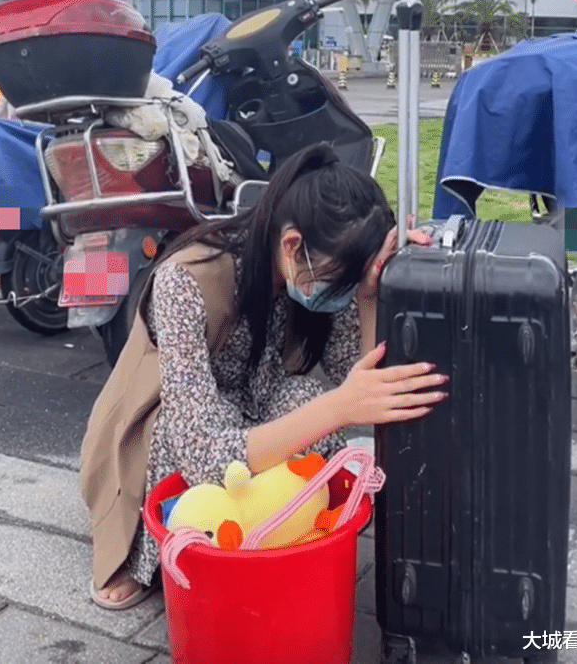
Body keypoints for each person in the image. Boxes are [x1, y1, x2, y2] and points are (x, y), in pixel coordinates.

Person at [81, 142, 449, 609]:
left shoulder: (308, 266)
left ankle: (261, 525)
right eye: (342, 279)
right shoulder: (186, 278)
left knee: (306, 397)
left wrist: (370, 293)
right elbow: (205, 452)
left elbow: (346, 373)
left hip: (252, 414)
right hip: (167, 423)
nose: (342, 291)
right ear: (293, 244)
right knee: (185, 442)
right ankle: (146, 548)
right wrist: (338, 408)